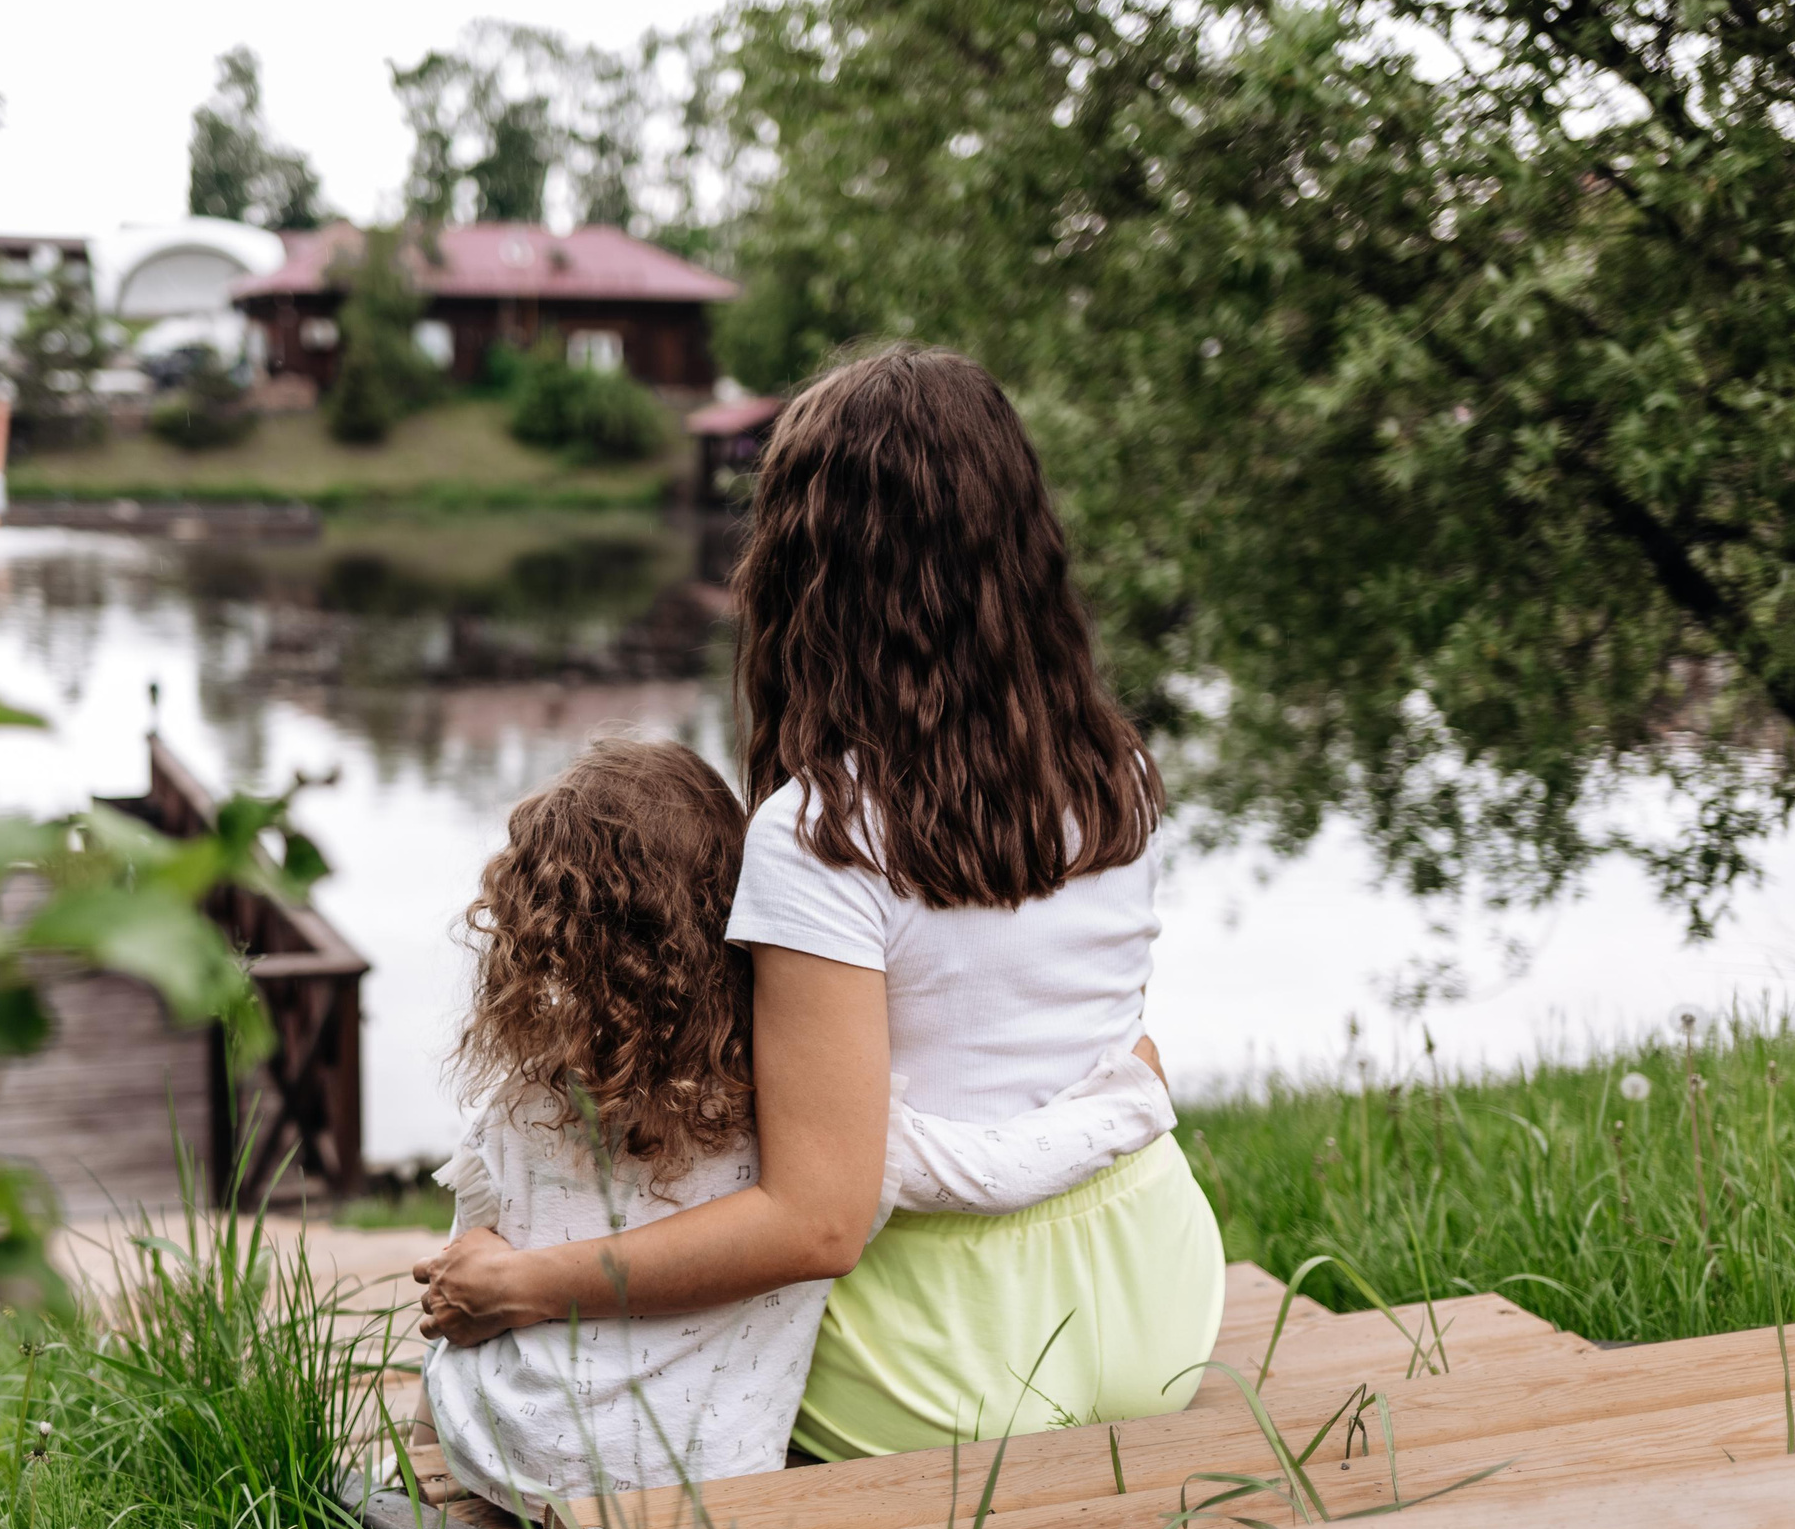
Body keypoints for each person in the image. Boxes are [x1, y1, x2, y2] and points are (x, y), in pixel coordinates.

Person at [417, 345, 1225, 1462]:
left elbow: (821, 1221)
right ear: (1018, 542)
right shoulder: (1110, 768)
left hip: (942, 1362)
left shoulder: (818, 837)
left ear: (806, 569)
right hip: (1158, 1300)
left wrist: (527, 1284)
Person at [421, 738, 1179, 1511]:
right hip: (707, 1477)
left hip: (503, 1455)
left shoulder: (517, 1107)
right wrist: (1131, 1099)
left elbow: (460, 1294)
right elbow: (993, 1169)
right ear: (729, 907)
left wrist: (433, 1431)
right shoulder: (798, 1118)